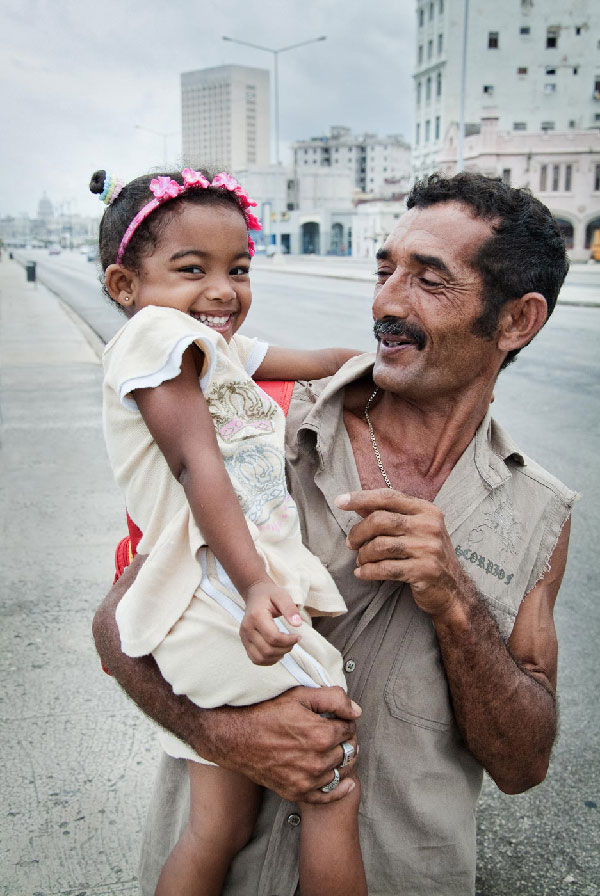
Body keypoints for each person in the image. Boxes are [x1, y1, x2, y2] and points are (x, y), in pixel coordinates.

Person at [93, 172, 577, 896]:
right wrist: (225, 736)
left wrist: (454, 600)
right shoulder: (253, 425)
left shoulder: (541, 515)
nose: (386, 302)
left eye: (428, 281)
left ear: (516, 321)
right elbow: (116, 627)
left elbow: (523, 763)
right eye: (385, 270)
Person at [91, 166, 367, 896]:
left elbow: (314, 365)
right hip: (212, 588)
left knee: (219, 828)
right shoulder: (155, 337)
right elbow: (194, 463)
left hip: (211, 593)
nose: (223, 289)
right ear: (127, 287)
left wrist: (377, 366)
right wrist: (254, 585)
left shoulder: (206, 345)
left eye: (239, 268)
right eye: (192, 269)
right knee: (334, 780)